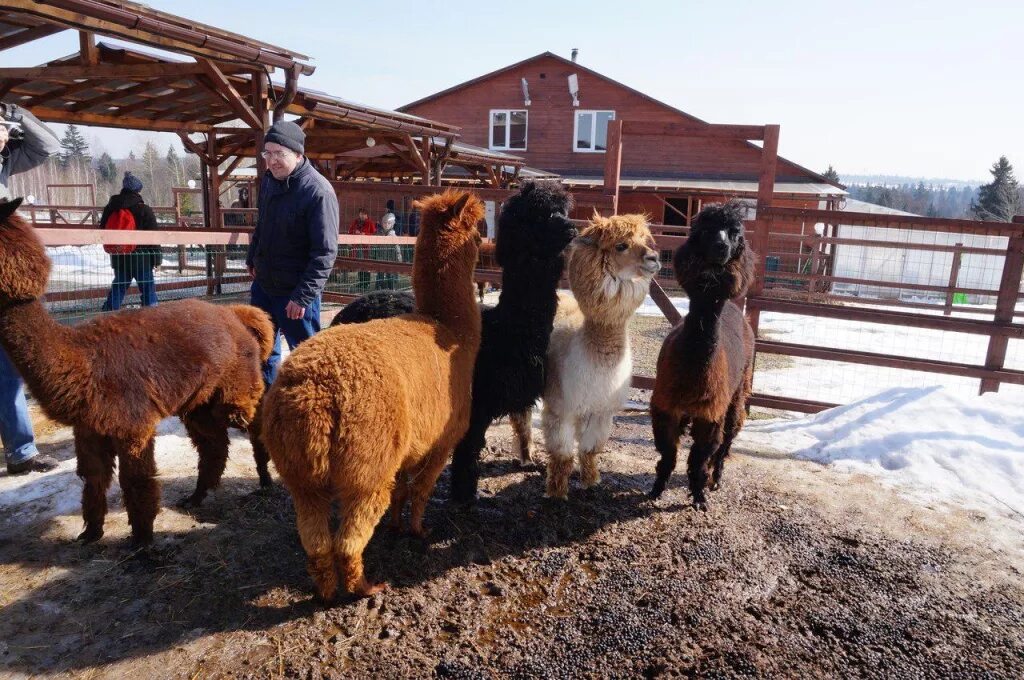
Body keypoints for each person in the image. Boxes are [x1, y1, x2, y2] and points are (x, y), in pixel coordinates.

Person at [246, 120, 339, 387]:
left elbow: (324, 252)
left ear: (298, 155)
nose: (272, 161)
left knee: (306, 354)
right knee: (263, 349)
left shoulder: (317, 192)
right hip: (265, 285)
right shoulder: (269, 183)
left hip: (296, 293)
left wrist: (303, 296)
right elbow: (262, 225)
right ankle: (267, 406)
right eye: (268, 154)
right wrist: (253, 257)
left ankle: (312, 406)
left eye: (280, 154)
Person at [0, 102, 61, 474]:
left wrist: (16, 114)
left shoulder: (6, 162)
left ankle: (21, 452)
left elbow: (49, 147)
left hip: (2, 282)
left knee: (8, 368)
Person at [100, 172, 162, 311]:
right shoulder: (144, 209)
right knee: (147, 289)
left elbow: (103, 229)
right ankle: (151, 315)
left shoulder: (111, 208)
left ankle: (108, 314)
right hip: (142, 258)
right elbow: (154, 236)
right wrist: (157, 259)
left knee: (119, 287)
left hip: (119, 256)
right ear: (138, 190)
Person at [348, 207, 376, 291]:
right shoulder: (356, 222)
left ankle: (366, 283)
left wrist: (365, 234)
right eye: (361, 214)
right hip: (357, 247)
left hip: (366, 247)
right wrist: (355, 232)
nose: (362, 215)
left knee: (366, 265)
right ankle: (361, 282)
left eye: (363, 214)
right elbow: (350, 231)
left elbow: (374, 233)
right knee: (359, 265)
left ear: (366, 215)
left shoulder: (370, 223)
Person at [376, 200, 401, 290]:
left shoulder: (393, 236)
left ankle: (392, 292)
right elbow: (376, 248)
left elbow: (397, 250)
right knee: (379, 277)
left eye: (388, 223)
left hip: (390, 261)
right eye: (385, 223)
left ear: (392, 224)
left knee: (391, 278)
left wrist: (398, 261)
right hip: (381, 260)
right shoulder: (380, 234)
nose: (386, 225)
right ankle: (379, 291)